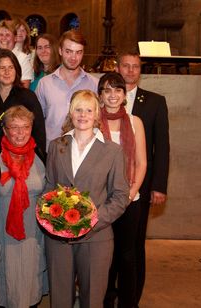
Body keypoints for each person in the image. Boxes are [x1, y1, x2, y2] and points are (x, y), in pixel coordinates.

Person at [44, 90, 129, 308]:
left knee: (92, 300)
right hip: (59, 237)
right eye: (78, 109)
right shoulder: (56, 146)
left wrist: (90, 221)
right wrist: (52, 219)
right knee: (60, 300)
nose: (83, 115)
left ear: (96, 114)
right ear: (71, 113)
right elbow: (48, 188)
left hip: (96, 237)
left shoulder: (112, 151)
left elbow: (120, 195)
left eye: (89, 110)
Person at [115, 51, 170, 305]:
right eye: (125, 66)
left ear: (140, 70)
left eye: (135, 67)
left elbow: (162, 147)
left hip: (141, 185)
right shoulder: (107, 99)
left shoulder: (155, 102)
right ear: (118, 68)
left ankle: (132, 296)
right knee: (111, 245)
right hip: (110, 186)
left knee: (134, 246)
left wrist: (158, 186)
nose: (130, 71)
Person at [98, 72, 147, 308]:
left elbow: (142, 163)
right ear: (100, 96)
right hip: (101, 202)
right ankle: (105, 302)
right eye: (107, 90)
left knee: (127, 257)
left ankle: (128, 303)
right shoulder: (93, 121)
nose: (113, 95)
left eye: (117, 90)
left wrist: (129, 195)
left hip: (129, 200)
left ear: (124, 94)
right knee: (104, 258)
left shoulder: (135, 122)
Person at [0, 106, 47, 308]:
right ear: (5, 130)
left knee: (29, 292)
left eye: (25, 127)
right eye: (14, 127)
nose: (20, 133)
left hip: (32, 237)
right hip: (3, 238)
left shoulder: (39, 157)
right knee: (4, 290)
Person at [35, 30, 98, 151]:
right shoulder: (45, 84)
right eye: (68, 51)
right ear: (60, 51)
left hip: (84, 152)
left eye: (78, 52)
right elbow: (37, 122)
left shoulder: (94, 84)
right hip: (52, 150)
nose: (73, 57)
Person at [0, 49, 46, 156]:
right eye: (2, 68)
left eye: (11, 67)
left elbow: (39, 132)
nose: (7, 72)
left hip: (22, 158)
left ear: (16, 70)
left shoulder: (28, 96)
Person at [0, 20, 34, 89]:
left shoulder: (23, 59)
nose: (3, 38)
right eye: (1, 35)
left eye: (7, 35)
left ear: (15, 38)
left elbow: (24, 88)